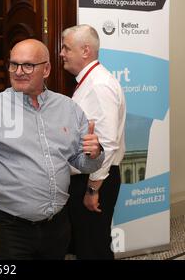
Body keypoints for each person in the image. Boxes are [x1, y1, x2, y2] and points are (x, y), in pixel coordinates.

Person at [0, 38, 104, 260]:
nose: (18, 71)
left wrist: (95, 154)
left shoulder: (68, 108)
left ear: (46, 69)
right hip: (11, 229)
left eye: (28, 65)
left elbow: (82, 163)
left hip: (58, 225)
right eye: (13, 64)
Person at [61, 24, 126, 259]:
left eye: (66, 48)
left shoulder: (99, 85)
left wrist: (92, 189)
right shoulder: (89, 81)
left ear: (85, 50)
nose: (62, 53)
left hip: (96, 180)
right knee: (87, 245)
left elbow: (107, 145)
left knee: (94, 249)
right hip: (90, 177)